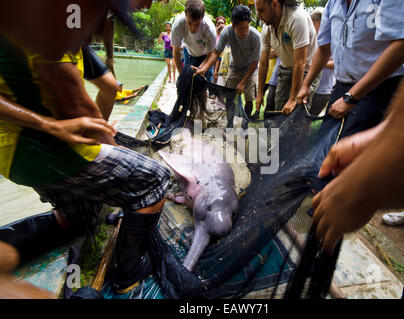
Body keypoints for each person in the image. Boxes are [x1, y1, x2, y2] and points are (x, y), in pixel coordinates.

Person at [0, 0, 172, 294]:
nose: (96, 29)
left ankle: (64, 217)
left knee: (81, 220)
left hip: (19, 154)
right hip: (38, 150)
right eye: (97, 15)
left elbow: (107, 87)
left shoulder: (71, 28)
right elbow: (79, 111)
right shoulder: (54, 32)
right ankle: (127, 272)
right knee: (154, 179)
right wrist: (52, 126)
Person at [311, 12, 404, 298]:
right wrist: (386, 136)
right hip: (349, 89)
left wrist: (374, 179)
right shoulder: (333, 7)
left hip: (370, 94)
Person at [297, 0, 404, 128]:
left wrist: (351, 97)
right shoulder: (333, 3)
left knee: (355, 145)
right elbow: (324, 48)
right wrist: (306, 85)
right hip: (343, 86)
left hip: (381, 87)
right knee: (327, 141)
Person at [194, 5, 261, 119]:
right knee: (229, 97)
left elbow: (255, 63)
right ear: (233, 25)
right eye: (241, 29)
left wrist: (243, 82)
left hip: (251, 69)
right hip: (235, 68)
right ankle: (229, 123)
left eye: (247, 27)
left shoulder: (255, 36)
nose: (244, 32)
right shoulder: (227, 32)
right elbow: (216, 53)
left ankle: (245, 123)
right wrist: (204, 69)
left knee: (249, 99)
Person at [255, 0, 319, 116]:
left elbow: (300, 63)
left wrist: (293, 99)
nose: (259, 16)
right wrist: (259, 94)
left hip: (306, 70)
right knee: (279, 110)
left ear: (274, 4)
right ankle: (279, 134)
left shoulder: (297, 18)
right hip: (286, 67)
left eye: (262, 10)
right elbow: (264, 63)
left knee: (297, 113)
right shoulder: (267, 27)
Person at [171, 0, 217, 80]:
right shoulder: (178, 26)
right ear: (185, 15)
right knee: (187, 83)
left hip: (206, 56)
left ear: (202, 18)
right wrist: (182, 76)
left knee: (204, 84)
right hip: (189, 54)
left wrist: (202, 68)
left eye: (196, 24)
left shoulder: (209, 28)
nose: (193, 28)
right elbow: (176, 52)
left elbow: (212, 54)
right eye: (189, 23)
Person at [308, 7, 335, 116]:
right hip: (309, 86)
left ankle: (306, 133)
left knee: (308, 119)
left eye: (314, 24)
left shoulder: (332, 41)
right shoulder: (310, 40)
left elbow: (336, 63)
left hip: (323, 89)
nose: (312, 28)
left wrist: (318, 63)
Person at [213, 16, 227, 84]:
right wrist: (216, 32)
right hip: (213, 59)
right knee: (213, 77)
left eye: (222, 23)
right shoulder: (213, 34)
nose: (220, 25)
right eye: (218, 23)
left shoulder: (226, 35)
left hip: (223, 60)